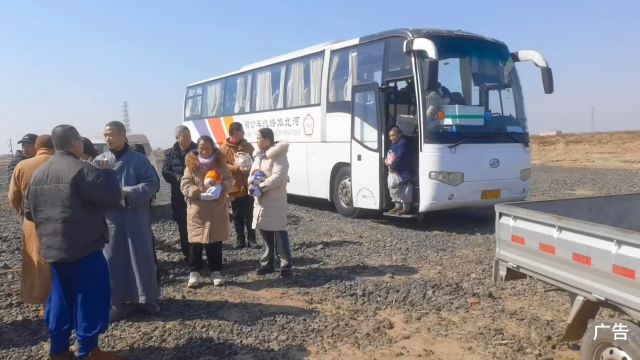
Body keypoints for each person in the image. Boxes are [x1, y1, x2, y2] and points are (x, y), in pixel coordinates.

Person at [25, 125, 122, 360]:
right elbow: (112, 198)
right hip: (84, 248)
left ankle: (58, 351)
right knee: (89, 298)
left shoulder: (39, 174)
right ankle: (87, 351)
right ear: (73, 142)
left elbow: (29, 213)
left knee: (59, 300)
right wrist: (108, 173)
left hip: (53, 250)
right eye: (79, 140)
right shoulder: (82, 170)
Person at [93, 121, 161, 321]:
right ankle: (118, 302)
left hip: (135, 218)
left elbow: (152, 184)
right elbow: (90, 187)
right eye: (105, 135)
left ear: (123, 135)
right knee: (113, 259)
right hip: (111, 220)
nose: (107, 139)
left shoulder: (139, 160)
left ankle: (146, 298)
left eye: (111, 134)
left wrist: (126, 193)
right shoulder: (99, 161)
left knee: (142, 257)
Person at [8, 135, 54, 311]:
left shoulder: (22, 166)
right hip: (63, 222)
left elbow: (13, 197)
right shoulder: (63, 164)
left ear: (36, 147)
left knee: (38, 262)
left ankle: (44, 303)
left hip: (33, 222)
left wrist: (23, 213)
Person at [180, 136, 232, 288]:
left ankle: (216, 271)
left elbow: (229, 180)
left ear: (212, 148)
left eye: (207, 148)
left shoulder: (220, 164)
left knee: (214, 242)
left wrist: (221, 186)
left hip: (216, 209)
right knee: (196, 242)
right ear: (197, 148)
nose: (204, 151)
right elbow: (185, 184)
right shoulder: (191, 165)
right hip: (197, 210)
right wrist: (197, 193)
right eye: (201, 148)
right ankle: (194, 272)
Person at [251, 128, 293, 277]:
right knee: (265, 231)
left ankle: (286, 265)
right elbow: (253, 173)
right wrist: (252, 182)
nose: (256, 140)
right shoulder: (258, 156)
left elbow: (279, 177)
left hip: (274, 200)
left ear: (267, 140)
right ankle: (267, 264)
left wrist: (261, 186)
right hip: (261, 200)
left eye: (258, 138)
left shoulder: (279, 155)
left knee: (279, 232)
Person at [219, 122, 258, 249]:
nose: (243, 133)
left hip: (248, 185)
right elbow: (222, 165)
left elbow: (255, 160)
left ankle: (252, 239)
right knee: (237, 214)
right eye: (241, 131)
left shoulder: (247, 146)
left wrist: (250, 166)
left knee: (250, 213)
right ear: (234, 132)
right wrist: (236, 168)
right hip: (234, 185)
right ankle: (240, 240)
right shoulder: (224, 148)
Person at [161, 126, 197, 259]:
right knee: (182, 225)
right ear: (177, 138)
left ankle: (197, 254)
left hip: (195, 194)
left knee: (197, 224)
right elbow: (165, 172)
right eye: (184, 136)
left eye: (189, 136)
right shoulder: (170, 153)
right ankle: (187, 254)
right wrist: (178, 178)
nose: (188, 139)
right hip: (178, 195)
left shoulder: (198, 150)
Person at [385, 127, 414, 215]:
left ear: (399, 135)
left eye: (393, 135)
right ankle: (398, 206)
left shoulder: (403, 143)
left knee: (406, 188)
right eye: (390, 136)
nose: (391, 138)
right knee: (394, 187)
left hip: (405, 169)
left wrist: (390, 164)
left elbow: (399, 157)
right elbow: (391, 155)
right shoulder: (393, 143)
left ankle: (406, 208)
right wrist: (386, 160)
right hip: (397, 169)